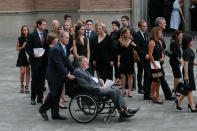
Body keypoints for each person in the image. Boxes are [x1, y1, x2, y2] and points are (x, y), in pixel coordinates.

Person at [73, 56, 139, 118]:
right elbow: (85, 85)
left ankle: (126, 109)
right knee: (113, 91)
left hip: (98, 86)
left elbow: (90, 79)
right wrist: (99, 88)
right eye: (86, 62)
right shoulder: (78, 71)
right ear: (80, 63)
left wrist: (99, 80)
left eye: (87, 61)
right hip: (93, 91)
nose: (88, 63)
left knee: (117, 90)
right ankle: (121, 111)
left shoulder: (83, 70)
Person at [39, 31, 75, 121]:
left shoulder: (64, 47)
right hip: (53, 75)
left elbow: (66, 61)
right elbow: (59, 64)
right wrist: (68, 74)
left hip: (60, 75)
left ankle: (55, 114)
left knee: (57, 94)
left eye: (68, 37)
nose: (68, 39)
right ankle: (42, 109)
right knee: (53, 93)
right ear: (61, 38)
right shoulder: (55, 49)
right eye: (66, 37)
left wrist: (75, 71)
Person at [25, 18, 49, 105]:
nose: (45, 26)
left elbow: (47, 47)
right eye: (43, 24)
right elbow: (27, 48)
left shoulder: (46, 34)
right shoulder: (32, 35)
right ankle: (33, 98)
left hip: (43, 61)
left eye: (45, 24)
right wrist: (32, 55)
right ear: (39, 25)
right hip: (35, 61)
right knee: (35, 80)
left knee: (42, 80)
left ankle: (40, 98)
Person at [155, 17, 176, 101]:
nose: (165, 24)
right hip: (156, 61)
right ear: (159, 24)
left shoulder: (161, 33)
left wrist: (166, 53)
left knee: (157, 78)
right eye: (164, 23)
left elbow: (162, 47)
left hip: (160, 60)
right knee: (160, 77)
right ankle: (168, 95)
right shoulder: (156, 33)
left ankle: (149, 93)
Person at [175, 34, 197, 112]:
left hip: (189, 70)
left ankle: (178, 101)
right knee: (189, 89)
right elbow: (186, 63)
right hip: (188, 72)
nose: (193, 41)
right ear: (188, 42)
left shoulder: (188, 49)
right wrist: (186, 75)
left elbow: (190, 61)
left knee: (187, 89)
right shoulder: (187, 51)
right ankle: (192, 106)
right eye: (192, 40)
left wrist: (195, 63)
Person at [117, 28, 136, 98]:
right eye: (126, 33)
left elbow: (136, 49)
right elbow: (118, 53)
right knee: (122, 76)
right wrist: (118, 61)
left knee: (130, 76)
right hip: (122, 60)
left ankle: (130, 91)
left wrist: (134, 46)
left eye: (128, 33)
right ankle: (123, 90)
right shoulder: (120, 41)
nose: (127, 34)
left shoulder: (132, 41)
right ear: (123, 34)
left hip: (130, 60)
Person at [149, 27, 164, 104]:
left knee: (159, 81)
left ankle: (153, 95)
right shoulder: (152, 42)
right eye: (159, 33)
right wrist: (154, 64)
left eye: (161, 33)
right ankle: (156, 96)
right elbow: (150, 55)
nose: (161, 34)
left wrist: (162, 57)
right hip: (154, 64)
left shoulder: (160, 42)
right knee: (156, 81)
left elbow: (162, 52)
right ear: (155, 34)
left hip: (159, 63)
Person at [135, 20, 150, 95]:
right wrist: (144, 55)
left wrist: (149, 54)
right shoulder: (137, 35)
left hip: (148, 56)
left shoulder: (147, 34)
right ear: (139, 27)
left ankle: (145, 86)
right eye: (143, 26)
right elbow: (137, 47)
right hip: (141, 57)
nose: (145, 28)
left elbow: (148, 45)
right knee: (140, 72)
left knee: (147, 72)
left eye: (146, 26)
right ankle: (140, 87)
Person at [16, 25, 30, 94]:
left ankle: (27, 86)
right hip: (21, 56)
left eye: (26, 30)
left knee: (28, 71)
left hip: (28, 56)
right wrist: (22, 47)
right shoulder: (20, 38)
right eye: (24, 30)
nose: (25, 31)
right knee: (22, 72)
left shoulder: (30, 38)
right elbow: (17, 48)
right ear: (22, 31)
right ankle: (21, 85)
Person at [169, 30, 183, 96]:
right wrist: (179, 59)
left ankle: (175, 89)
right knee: (177, 75)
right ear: (177, 35)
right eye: (180, 35)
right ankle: (175, 90)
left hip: (177, 60)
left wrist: (180, 58)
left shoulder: (177, 42)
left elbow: (179, 51)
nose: (181, 37)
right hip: (174, 61)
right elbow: (174, 53)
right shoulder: (173, 42)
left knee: (177, 75)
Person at [110, 21, 121, 85]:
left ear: (118, 26)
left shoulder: (120, 32)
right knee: (115, 66)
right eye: (112, 25)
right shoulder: (112, 33)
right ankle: (116, 79)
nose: (113, 26)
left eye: (114, 25)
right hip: (113, 52)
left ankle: (118, 80)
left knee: (118, 66)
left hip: (118, 52)